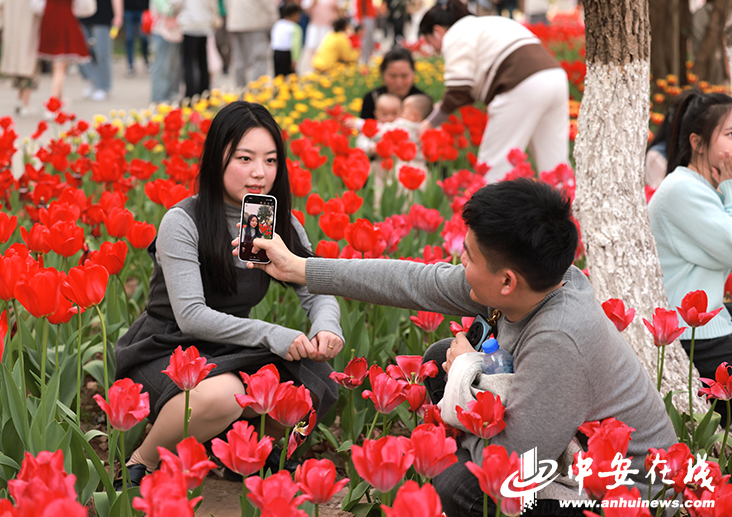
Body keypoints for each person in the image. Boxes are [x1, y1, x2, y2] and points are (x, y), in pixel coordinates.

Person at [243, 178, 678, 517]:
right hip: (559, 445)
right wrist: (301, 268)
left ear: (506, 281)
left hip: (622, 495)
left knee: (456, 482)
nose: (459, 263)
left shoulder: (559, 339)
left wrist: (464, 376)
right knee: (438, 361)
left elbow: (511, 468)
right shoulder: (534, 282)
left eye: (468, 256)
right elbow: (414, 281)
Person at [115, 101, 344, 486]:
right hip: (168, 347)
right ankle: (142, 462)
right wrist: (273, 334)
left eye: (270, 160)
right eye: (245, 158)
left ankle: (247, 455)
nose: (259, 173)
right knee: (222, 395)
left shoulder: (277, 222)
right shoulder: (183, 221)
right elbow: (191, 316)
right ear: (216, 159)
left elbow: (315, 287)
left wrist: (326, 327)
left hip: (230, 345)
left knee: (310, 383)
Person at [648, 91, 732, 426]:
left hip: (711, 325)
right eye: (730, 134)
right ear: (697, 142)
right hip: (697, 337)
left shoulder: (704, 188)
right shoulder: (681, 191)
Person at [419, 0, 569, 182]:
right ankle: (567, 200)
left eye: (429, 42)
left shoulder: (455, 34)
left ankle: (488, 201)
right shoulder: (488, 23)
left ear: (437, 31)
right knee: (555, 166)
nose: (434, 50)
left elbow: (459, 89)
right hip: (555, 77)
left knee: (493, 168)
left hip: (520, 85)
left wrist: (430, 122)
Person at [32, 0, 92, 105]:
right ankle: (53, 102)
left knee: (58, 65)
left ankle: (59, 99)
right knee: (60, 65)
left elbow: (35, 5)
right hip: (66, 21)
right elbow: (86, 7)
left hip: (49, 21)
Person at [0, 0, 42, 116]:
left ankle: (20, 100)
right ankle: (25, 103)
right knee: (29, 68)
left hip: (11, 30)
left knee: (18, 67)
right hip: (31, 30)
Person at [224, 0, 278, 87]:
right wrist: (274, 18)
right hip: (255, 23)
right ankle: (257, 92)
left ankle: (240, 91)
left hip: (235, 23)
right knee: (259, 59)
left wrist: (231, 16)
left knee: (239, 61)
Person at [170, 0, 217, 100]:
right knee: (203, 61)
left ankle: (190, 96)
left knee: (189, 63)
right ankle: (205, 94)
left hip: (189, 25)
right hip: (204, 25)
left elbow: (175, 1)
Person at [79, 0, 123, 101]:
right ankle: (92, 81)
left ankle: (104, 86)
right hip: (83, 16)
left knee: (102, 52)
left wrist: (118, 16)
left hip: (103, 18)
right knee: (83, 54)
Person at [359, 47, 428, 120]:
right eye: (393, 76)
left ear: (413, 74)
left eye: (404, 76)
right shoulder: (372, 99)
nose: (399, 82)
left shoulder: (422, 102)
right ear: (383, 75)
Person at [148, 0, 182, 103]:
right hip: (161, 33)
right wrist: (180, 6)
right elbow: (167, 11)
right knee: (162, 66)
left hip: (172, 33)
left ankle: (169, 94)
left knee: (172, 66)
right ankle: (158, 96)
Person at [300, 0, 340, 64]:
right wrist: (312, 3)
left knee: (328, 48)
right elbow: (305, 9)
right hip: (315, 24)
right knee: (313, 48)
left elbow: (339, 9)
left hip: (329, 25)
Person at [122, 0, 152, 77]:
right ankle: (130, 66)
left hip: (142, 10)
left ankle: (146, 60)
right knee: (129, 39)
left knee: (144, 38)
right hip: (128, 10)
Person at [271, 2, 303, 77]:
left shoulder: (278, 24)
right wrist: (295, 59)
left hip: (276, 52)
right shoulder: (295, 28)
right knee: (290, 77)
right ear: (294, 14)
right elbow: (296, 45)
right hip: (287, 54)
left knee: (278, 76)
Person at [353, 0, 375, 64]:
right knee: (364, 39)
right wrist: (359, 19)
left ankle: (368, 58)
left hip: (370, 15)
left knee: (369, 38)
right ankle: (364, 60)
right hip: (365, 17)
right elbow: (359, 3)